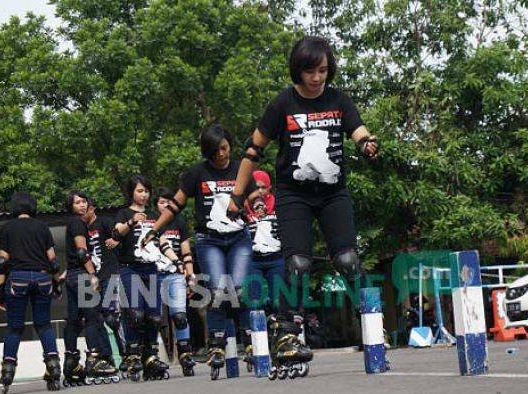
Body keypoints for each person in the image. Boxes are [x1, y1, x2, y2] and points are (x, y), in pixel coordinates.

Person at [227, 35, 379, 378]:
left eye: (323, 70)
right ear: (299, 69)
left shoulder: (339, 99)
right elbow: (253, 151)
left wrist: (367, 144)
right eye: (310, 71)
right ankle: (286, 333)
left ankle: (372, 316)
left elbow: (357, 130)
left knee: (347, 259)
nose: (317, 78)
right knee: (297, 262)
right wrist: (237, 196)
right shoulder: (282, 103)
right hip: (293, 194)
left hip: (332, 193)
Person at [147, 124, 256, 380]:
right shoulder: (197, 172)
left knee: (238, 288)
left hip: (239, 237)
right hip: (209, 240)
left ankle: (249, 338)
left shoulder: (241, 169)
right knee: (219, 290)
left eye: (225, 148)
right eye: (215, 150)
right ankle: (216, 344)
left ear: (229, 144)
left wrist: (253, 211)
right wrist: (154, 230)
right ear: (207, 151)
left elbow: (254, 199)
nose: (221, 154)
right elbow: (175, 205)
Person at [0, 192, 63, 392]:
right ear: (32, 207)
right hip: (42, 279)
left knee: (14, 328)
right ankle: (53, 365)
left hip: (18, 279)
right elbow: (53, 260)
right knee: (43, 325)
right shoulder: (42, 227)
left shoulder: (7, 228)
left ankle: (8, 370)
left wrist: (0, 290)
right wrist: (56, 284)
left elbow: (1, 263)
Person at [111, 175, 169, 381]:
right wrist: (131, 221)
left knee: (153, 315)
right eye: (140, 191)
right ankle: (133, 353)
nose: (144, 195)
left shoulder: (154, 215)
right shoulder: (124, 212)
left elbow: (162, 241)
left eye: (146, 191)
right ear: (131, 193)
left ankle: (150, 356)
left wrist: (179, 262)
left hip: (151, 268)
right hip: (130, 268)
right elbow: (116, 234)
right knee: (135, 313)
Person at [61, 191, 117, 386]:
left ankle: (71, 360)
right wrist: (92, 275)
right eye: (77, 203)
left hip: (72, 277)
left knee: (74, 320)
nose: (82, 205)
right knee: (93, 317)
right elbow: (82, 252)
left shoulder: (71, 223)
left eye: (84, 202)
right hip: (82, 277)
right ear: (71, 207)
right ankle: (94, 359)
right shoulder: (78, 223)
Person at [153, 187, 197, 376]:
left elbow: (186, 251)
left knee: (179, 317)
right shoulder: (151, 223)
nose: (165, 206)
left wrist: (191, 276)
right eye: (161, 202)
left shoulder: (179, 222)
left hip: (175, 276)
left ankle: (185, 354)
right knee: (152, 319)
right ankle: (151, 355)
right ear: (156, 205)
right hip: (153, 275)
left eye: (169, 202)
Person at [243, 172, 284, 369]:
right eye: (255, 187)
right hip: (253, 261)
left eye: (263, 187)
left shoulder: (279, 205)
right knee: (254, 302)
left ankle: (282, 339)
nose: (259, 191)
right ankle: (255, 346)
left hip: (276, 258)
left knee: (278, 301)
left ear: (269, 189)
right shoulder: (243, 207)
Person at [83, 198, 125, 371]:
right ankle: (107, 358)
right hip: (93, 277)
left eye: (85, 208)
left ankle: (126, 355)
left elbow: (121, 235)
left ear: (92, 208)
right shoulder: (81, 230)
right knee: (95, 319)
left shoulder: (104, 222)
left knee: (112, 318)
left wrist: (117, 241)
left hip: (110, 273)